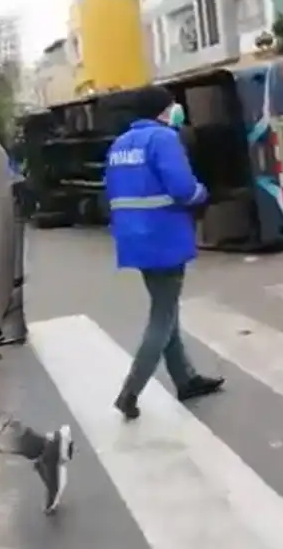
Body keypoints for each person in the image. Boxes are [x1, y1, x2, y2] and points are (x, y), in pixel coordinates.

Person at [105, 85, 225, 420]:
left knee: (166, 306)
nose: (177, 110)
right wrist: (204, 193)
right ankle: (130, 391)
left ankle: (185, 379)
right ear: (163, 109)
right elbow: (183, 189)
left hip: (135, 238)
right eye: (173, 105)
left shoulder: (120, 145)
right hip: (164, 235)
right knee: (163, 315)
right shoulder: (163, 139)